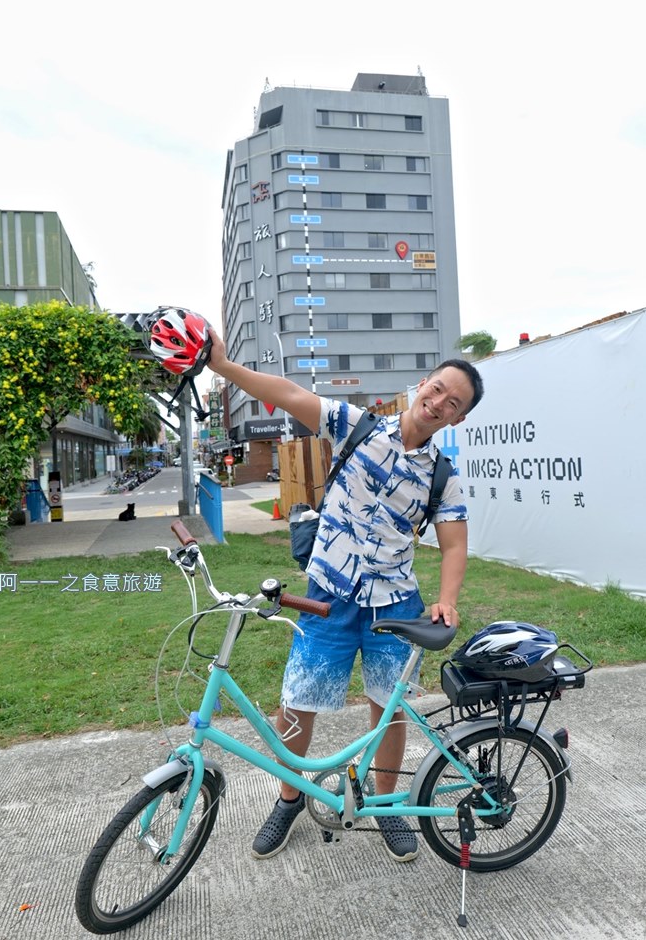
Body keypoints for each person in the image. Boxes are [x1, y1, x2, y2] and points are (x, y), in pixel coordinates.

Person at [207, 328, 484, 861]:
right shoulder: (357, 426)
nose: (439, 403)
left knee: (388, 710)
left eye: (454, 403)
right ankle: (289, 800)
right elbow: (288, 394)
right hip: (329, 596)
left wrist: (447, 598)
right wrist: (224, 368)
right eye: (438, 389)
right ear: (422, 384)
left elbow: (453, 545)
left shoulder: (442, 477)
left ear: (458, 418)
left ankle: (386, 808)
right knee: (299, 701)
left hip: (396, 605)